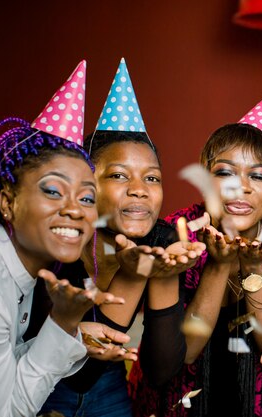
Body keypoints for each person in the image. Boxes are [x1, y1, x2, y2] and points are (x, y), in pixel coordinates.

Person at [128, 87, 262, 417]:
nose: (240, 186)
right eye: (225, 172)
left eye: (257, 175)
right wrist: (218, 265)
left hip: (253, 404)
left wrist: (256, 267)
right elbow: (185, 353)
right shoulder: (175, 231)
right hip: (174, 404)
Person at [39, 58, 204, 416]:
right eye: (118, 175)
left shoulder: (161, 241)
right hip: (37, 387)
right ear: (86, 183)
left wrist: (165, 274)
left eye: (152, 178)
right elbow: (75, 375)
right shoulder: (54, 236)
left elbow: (161, 372)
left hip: (108, 389)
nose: (140, 190)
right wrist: (135, 274)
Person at [0, 114, 124, 415]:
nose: (74, 209)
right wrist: (63, 322)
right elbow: (8, 411)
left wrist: (74, 335)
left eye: (86, 197)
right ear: (7, 202)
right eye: (53, 191)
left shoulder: (18, 263)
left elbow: (4, 366)